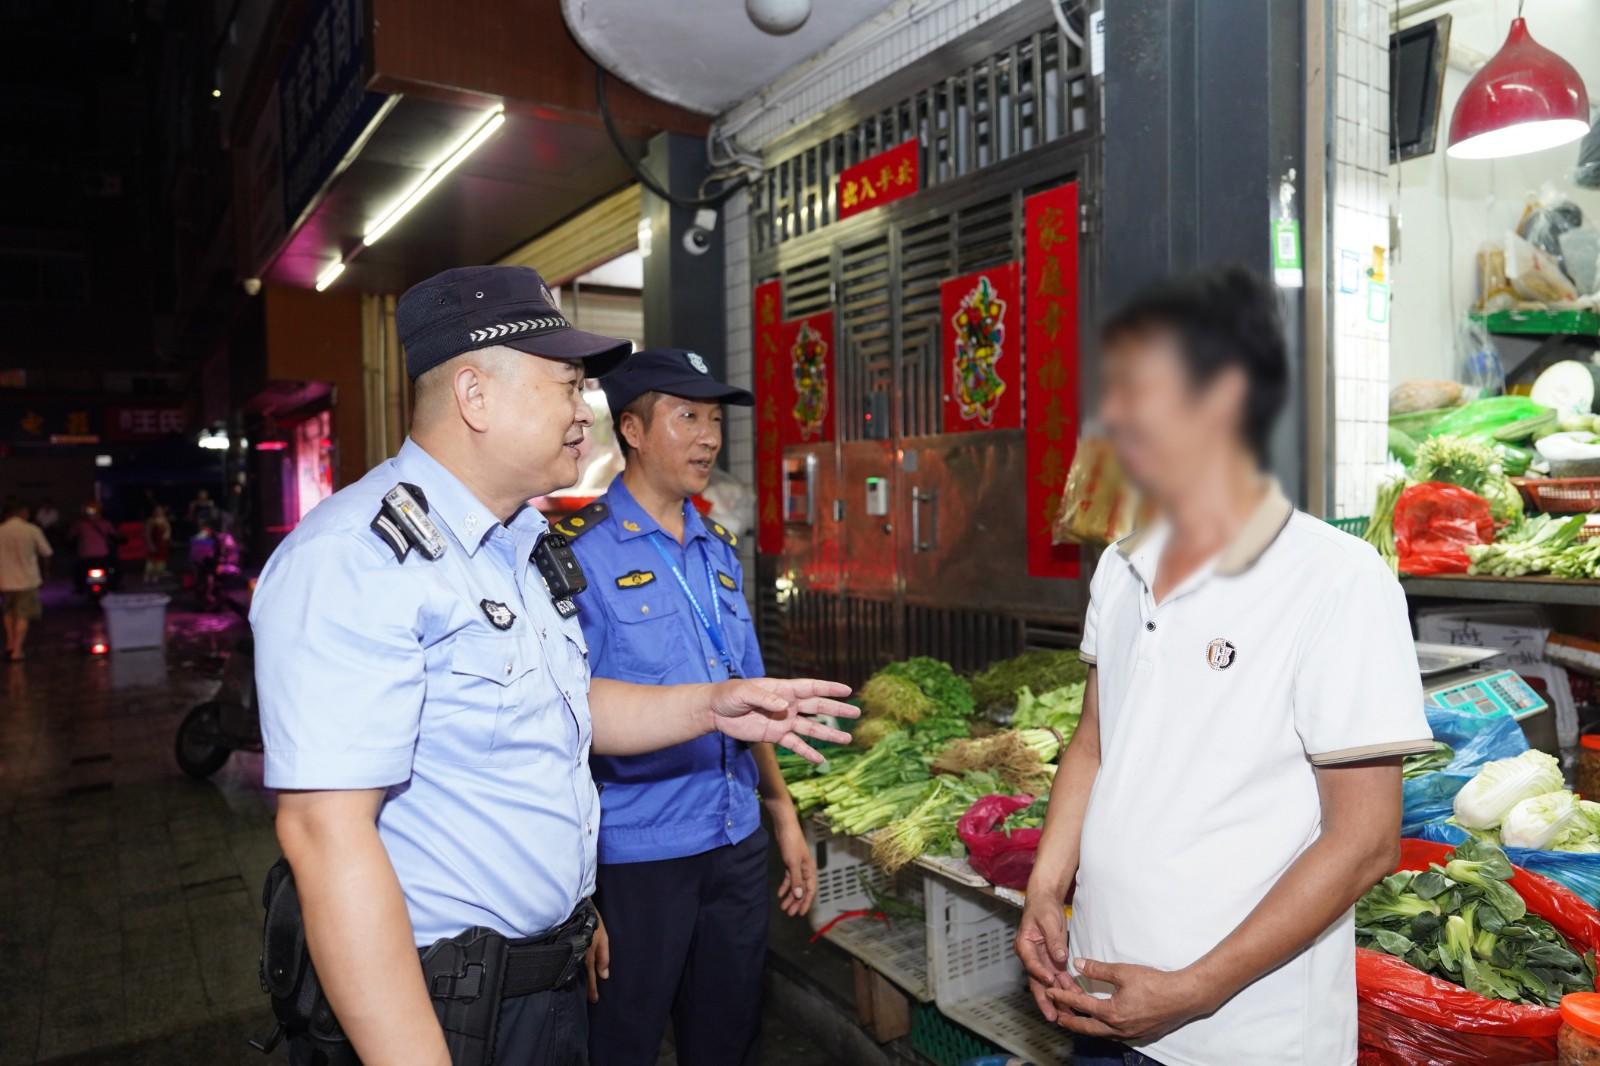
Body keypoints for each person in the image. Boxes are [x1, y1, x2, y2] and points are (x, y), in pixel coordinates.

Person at [249, 265, 855, 1065]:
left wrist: (712, 705)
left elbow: (564, 708)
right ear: (475, 395)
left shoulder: (519, 544)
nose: (583, 413)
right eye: (566, 386)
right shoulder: (354, 560)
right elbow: (326, 835)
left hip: (543, 982)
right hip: (436, 1004)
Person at [1013, 266, 1430, 1066]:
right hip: (1097, 999)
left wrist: (1196, 987)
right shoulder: (1120, 566)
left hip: (1242, 1036)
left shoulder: (1335, 579)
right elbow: (1093, 746)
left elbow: (1367, 840)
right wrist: (1046, 885)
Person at [559, 349, 814, 1065]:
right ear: (633, 431)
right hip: (638, 858)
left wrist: (783, 815)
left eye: (713, 419)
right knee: (623, 1044)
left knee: (729, 1039)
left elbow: (749, 695)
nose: (709, 436)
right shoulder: (579, 556)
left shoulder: (718, 551)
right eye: (687, 416)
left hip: (733, 844)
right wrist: (581, 893)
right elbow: (565, 729)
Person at [0, 499, 52, 662]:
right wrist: (46, 573)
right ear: (22, 512)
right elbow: (46, 552)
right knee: (23, 614)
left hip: (4, 580)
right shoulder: (31, 530)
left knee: (8, 612)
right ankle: (17, 650)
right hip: (26, 580)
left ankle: (9, 643)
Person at [69, 503, 117, 588]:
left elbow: (70, 536)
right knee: (113, 569)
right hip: (102, 555)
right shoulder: (105, 523)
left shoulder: (80, 524)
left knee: (77, 570)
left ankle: (79, 587)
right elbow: (115, 535)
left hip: (85, 556)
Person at [144, 505, 171, 583]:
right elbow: (147, 533)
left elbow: (168, 529)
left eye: (160, 511)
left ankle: (156, 575)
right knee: (151, 560)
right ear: (154, 512)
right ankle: (147, 576)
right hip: (154, 542)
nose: (159, 512)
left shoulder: (165, 520)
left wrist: (167, 535)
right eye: (157, 511)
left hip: (162, 544)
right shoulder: (150, 521)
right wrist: (150, 544)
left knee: (161, 560)